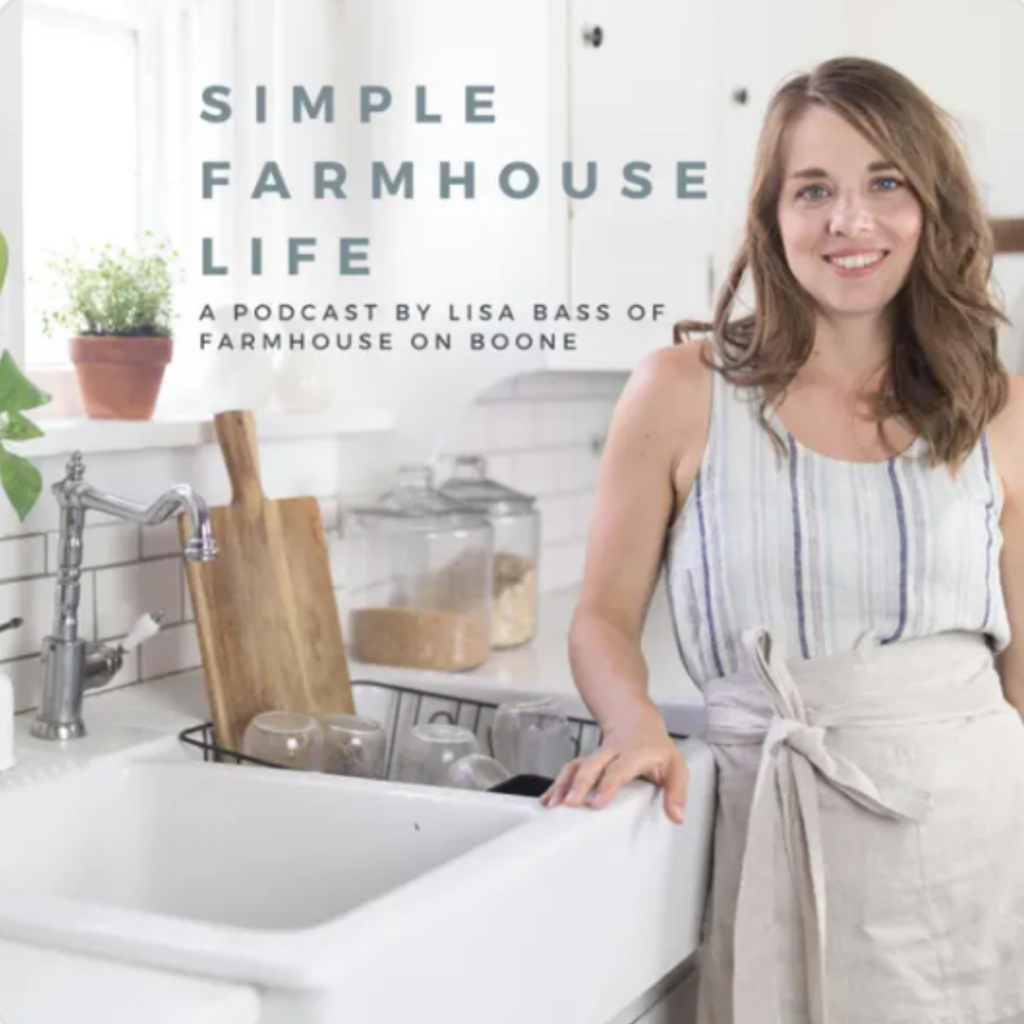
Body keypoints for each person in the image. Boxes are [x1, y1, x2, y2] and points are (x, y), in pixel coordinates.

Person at [541, 56, 1024, 1024]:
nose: (849, 221)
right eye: (814, 190)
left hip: (974, 829)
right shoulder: (680, 390)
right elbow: (600, 616)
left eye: (885, 182)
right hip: (766, 809)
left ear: (929, 207)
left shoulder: (995, 406)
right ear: (770, 218)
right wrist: (632, 724)